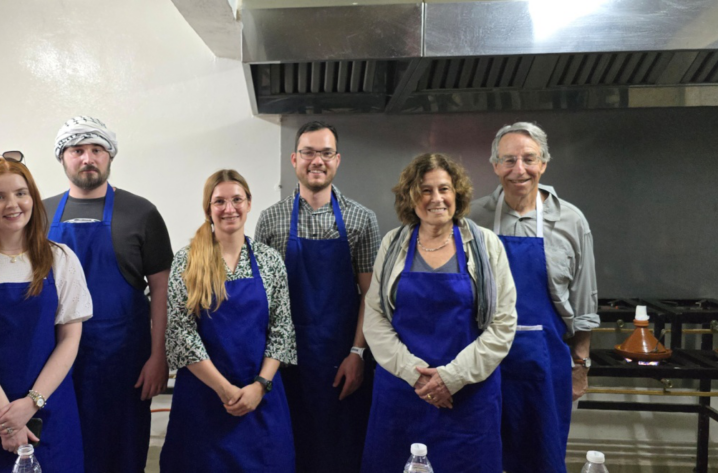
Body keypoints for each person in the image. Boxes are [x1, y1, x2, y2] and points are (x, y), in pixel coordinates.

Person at [361, 153, 517, 473]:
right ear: (410, 197)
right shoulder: (393, 245)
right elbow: (374, 316)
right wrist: (416, 376)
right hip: (402, 393)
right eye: (425, 190)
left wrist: (452, 377)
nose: (436, 198)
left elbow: (503, 324)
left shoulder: (485, 245)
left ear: (457, 194)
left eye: (444, 189)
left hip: (468, 397)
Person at [0, 153, 91, 472]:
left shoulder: (60, 260)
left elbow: (70, 341)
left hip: (48, 409)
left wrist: (31, 403)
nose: (13, 204)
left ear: (33, 198)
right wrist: (7, 420)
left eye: (20, 193)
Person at [43, 116, 172, 472]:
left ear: (110, 156)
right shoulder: (39, 212)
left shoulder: (142, 213)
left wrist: (158, 356)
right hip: (55, 364)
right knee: (64, 450)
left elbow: (162, 289)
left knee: (122, 452)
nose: (87, 158)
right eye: (77, 150)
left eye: (96, 149)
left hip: (124, 362)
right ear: (62, 157)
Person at [470, 122, 599, 473]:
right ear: (495, 165)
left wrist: (580, 365)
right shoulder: (472, 218)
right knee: (485, 455)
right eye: (509, 160)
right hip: (483, 362)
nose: (519, 169)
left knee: (542, 456)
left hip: (546, 362)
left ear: (544, 163)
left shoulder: (571, 220)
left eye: (529, 159)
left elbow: (585, 302)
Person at [254, 121, 379, 472]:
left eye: (326, 152)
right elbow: (263, 299)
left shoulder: (362, 219)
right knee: (291, 448)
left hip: (343, 359)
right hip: (287, 362)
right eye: (308, 152)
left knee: (342, 452)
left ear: (337, 160)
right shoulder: (271, 220)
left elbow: (371, 295)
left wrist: (357, 353)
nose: (317, 160)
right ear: (295, 159)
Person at [160, 170, 298, 473]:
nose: (229, 208)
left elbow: (282, 329)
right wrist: (224, 389)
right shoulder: (188, 260)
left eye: (237, 199)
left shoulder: (269, 260)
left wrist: (259, 387)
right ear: (208, 210)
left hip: (260, 397)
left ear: (249, 204)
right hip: (203, 400)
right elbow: (181, 333)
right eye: (219, 201)